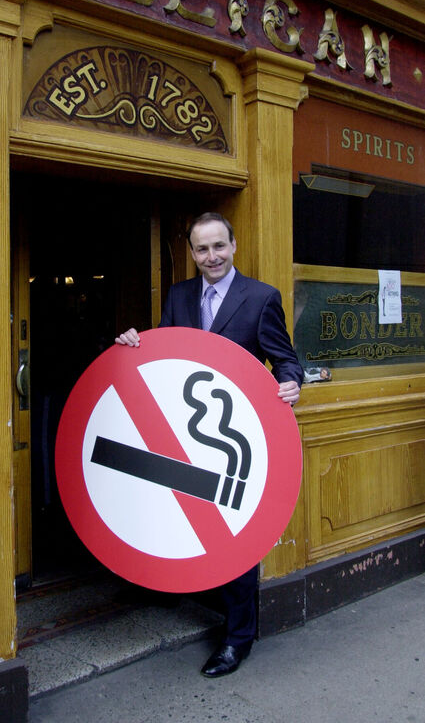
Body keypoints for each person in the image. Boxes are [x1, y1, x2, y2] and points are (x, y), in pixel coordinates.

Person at [116, 211, 303, 677]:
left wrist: (291, 382)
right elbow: (163, 351)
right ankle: (177, 588)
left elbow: (286, 359)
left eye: (219, 246)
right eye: (202, 249)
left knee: (235, 539)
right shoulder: (179, 295)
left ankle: (238, 639)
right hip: (180, 435)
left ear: (233, 245)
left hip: (233, 438)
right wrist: (136, 341)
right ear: (192, 253)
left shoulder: (261, 298)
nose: (212, 256)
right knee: (177, 519)